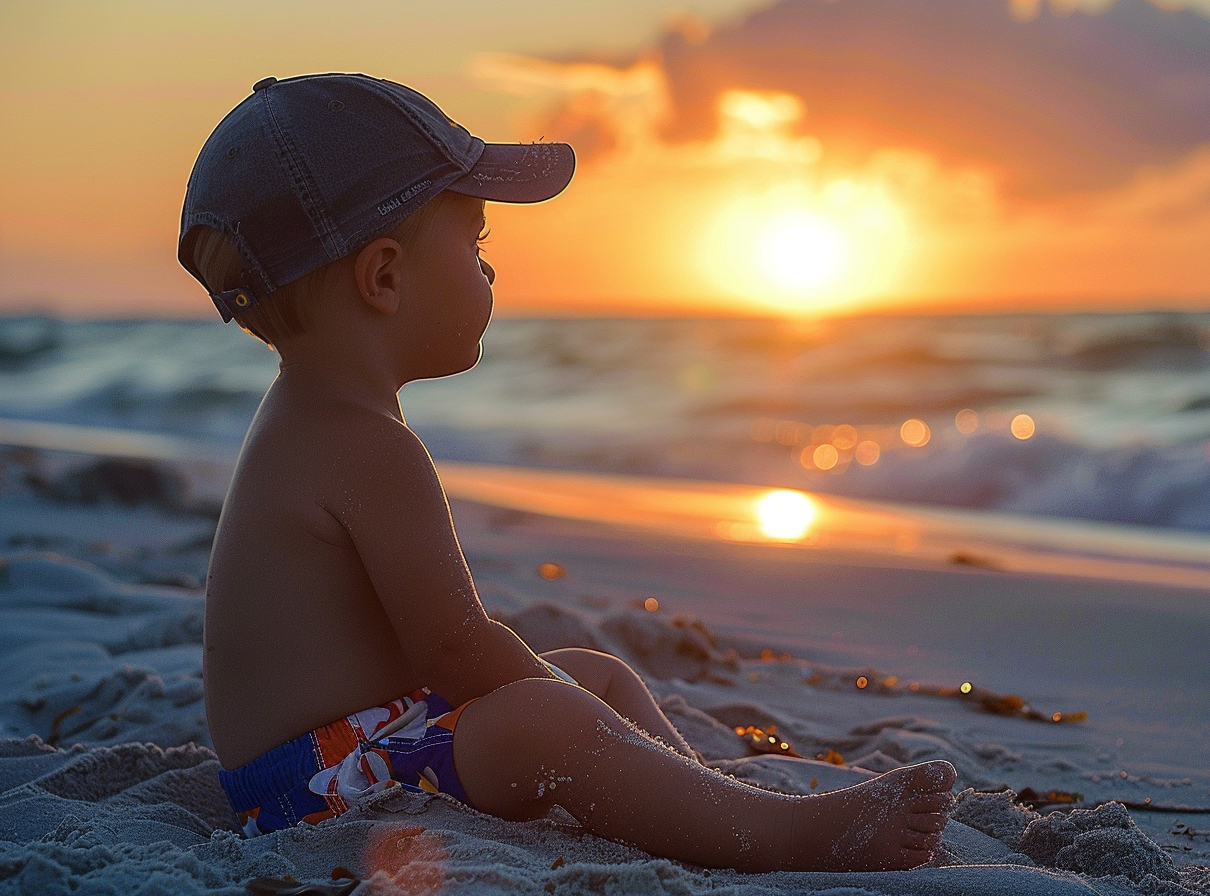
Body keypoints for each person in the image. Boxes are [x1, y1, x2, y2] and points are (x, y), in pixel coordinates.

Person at [179, 72, 955, 873]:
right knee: (553, 717)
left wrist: (573, 696)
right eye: (476, 245)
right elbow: (454, 647)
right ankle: (786, 836)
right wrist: (561, 705)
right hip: (319, 785)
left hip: (359, 737)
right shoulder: (365, 444)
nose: (488, 273)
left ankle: (706, 799)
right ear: (383, 278)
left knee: (597, 677)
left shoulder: (311, 417)